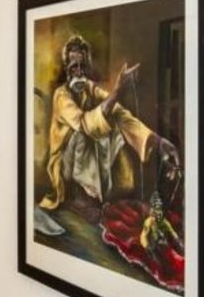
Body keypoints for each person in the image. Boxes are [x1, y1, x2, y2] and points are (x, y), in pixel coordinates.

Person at [38, 35, 180, 213]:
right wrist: (118, 89)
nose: (79, 72)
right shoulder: (61, 95)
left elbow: (119, 113)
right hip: (64, 167)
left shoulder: (90, 88)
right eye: (74, 67)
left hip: (83, 161)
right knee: (84, 133)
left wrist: (158, 142)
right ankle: (80, 197)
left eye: (83, 67)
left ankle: (100, 195)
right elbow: (85, 124)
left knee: (113, 126)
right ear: (67, 69)